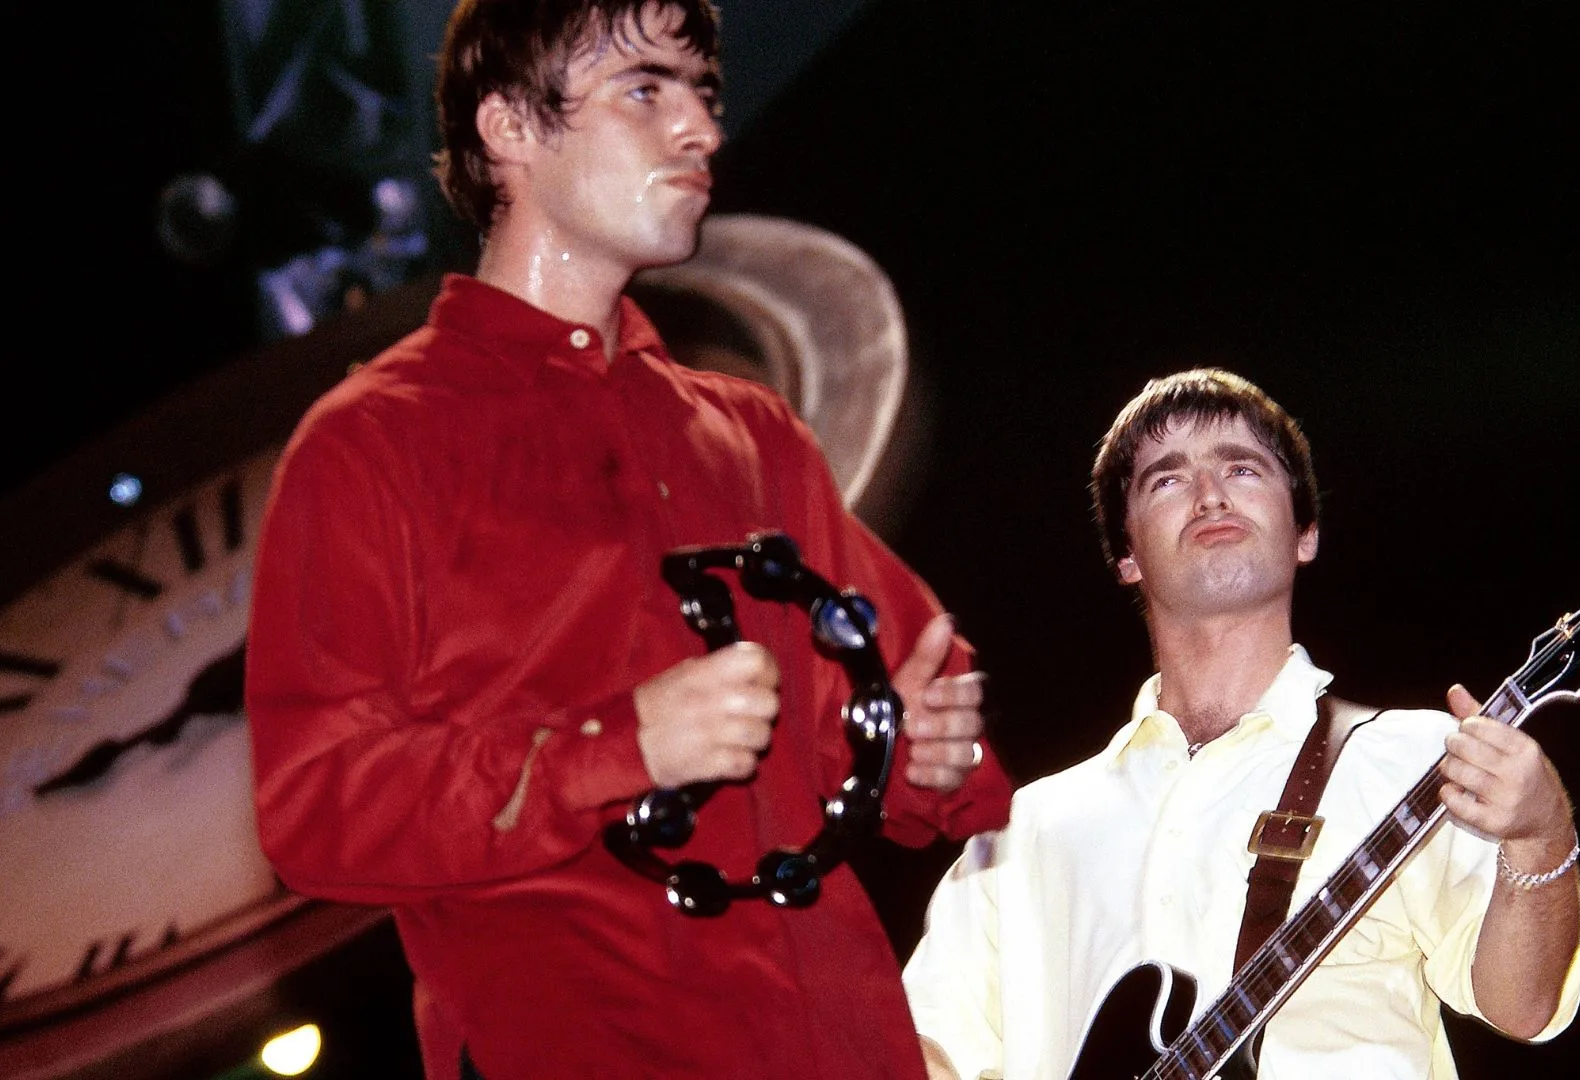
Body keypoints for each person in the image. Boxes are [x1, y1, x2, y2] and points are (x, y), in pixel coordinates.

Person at [243, 2, 1012, 1078]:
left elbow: (909, 699)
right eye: (645, 90)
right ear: (509, 127)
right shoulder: (371, 443)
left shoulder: (749, 434)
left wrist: (927, 751)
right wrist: (617, 749)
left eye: (703, 94)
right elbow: (316, 807)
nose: (700, 129)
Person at [901, 368, 1580, 1080]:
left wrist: (1542, 836)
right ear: (1126, 558)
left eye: (1242, 468)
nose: (1211, 494)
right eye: (1166, 481)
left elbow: (1524, 1006)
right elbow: (922, 1056)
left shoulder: (1420, 759)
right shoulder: (1021, 832)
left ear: (1305, 534)